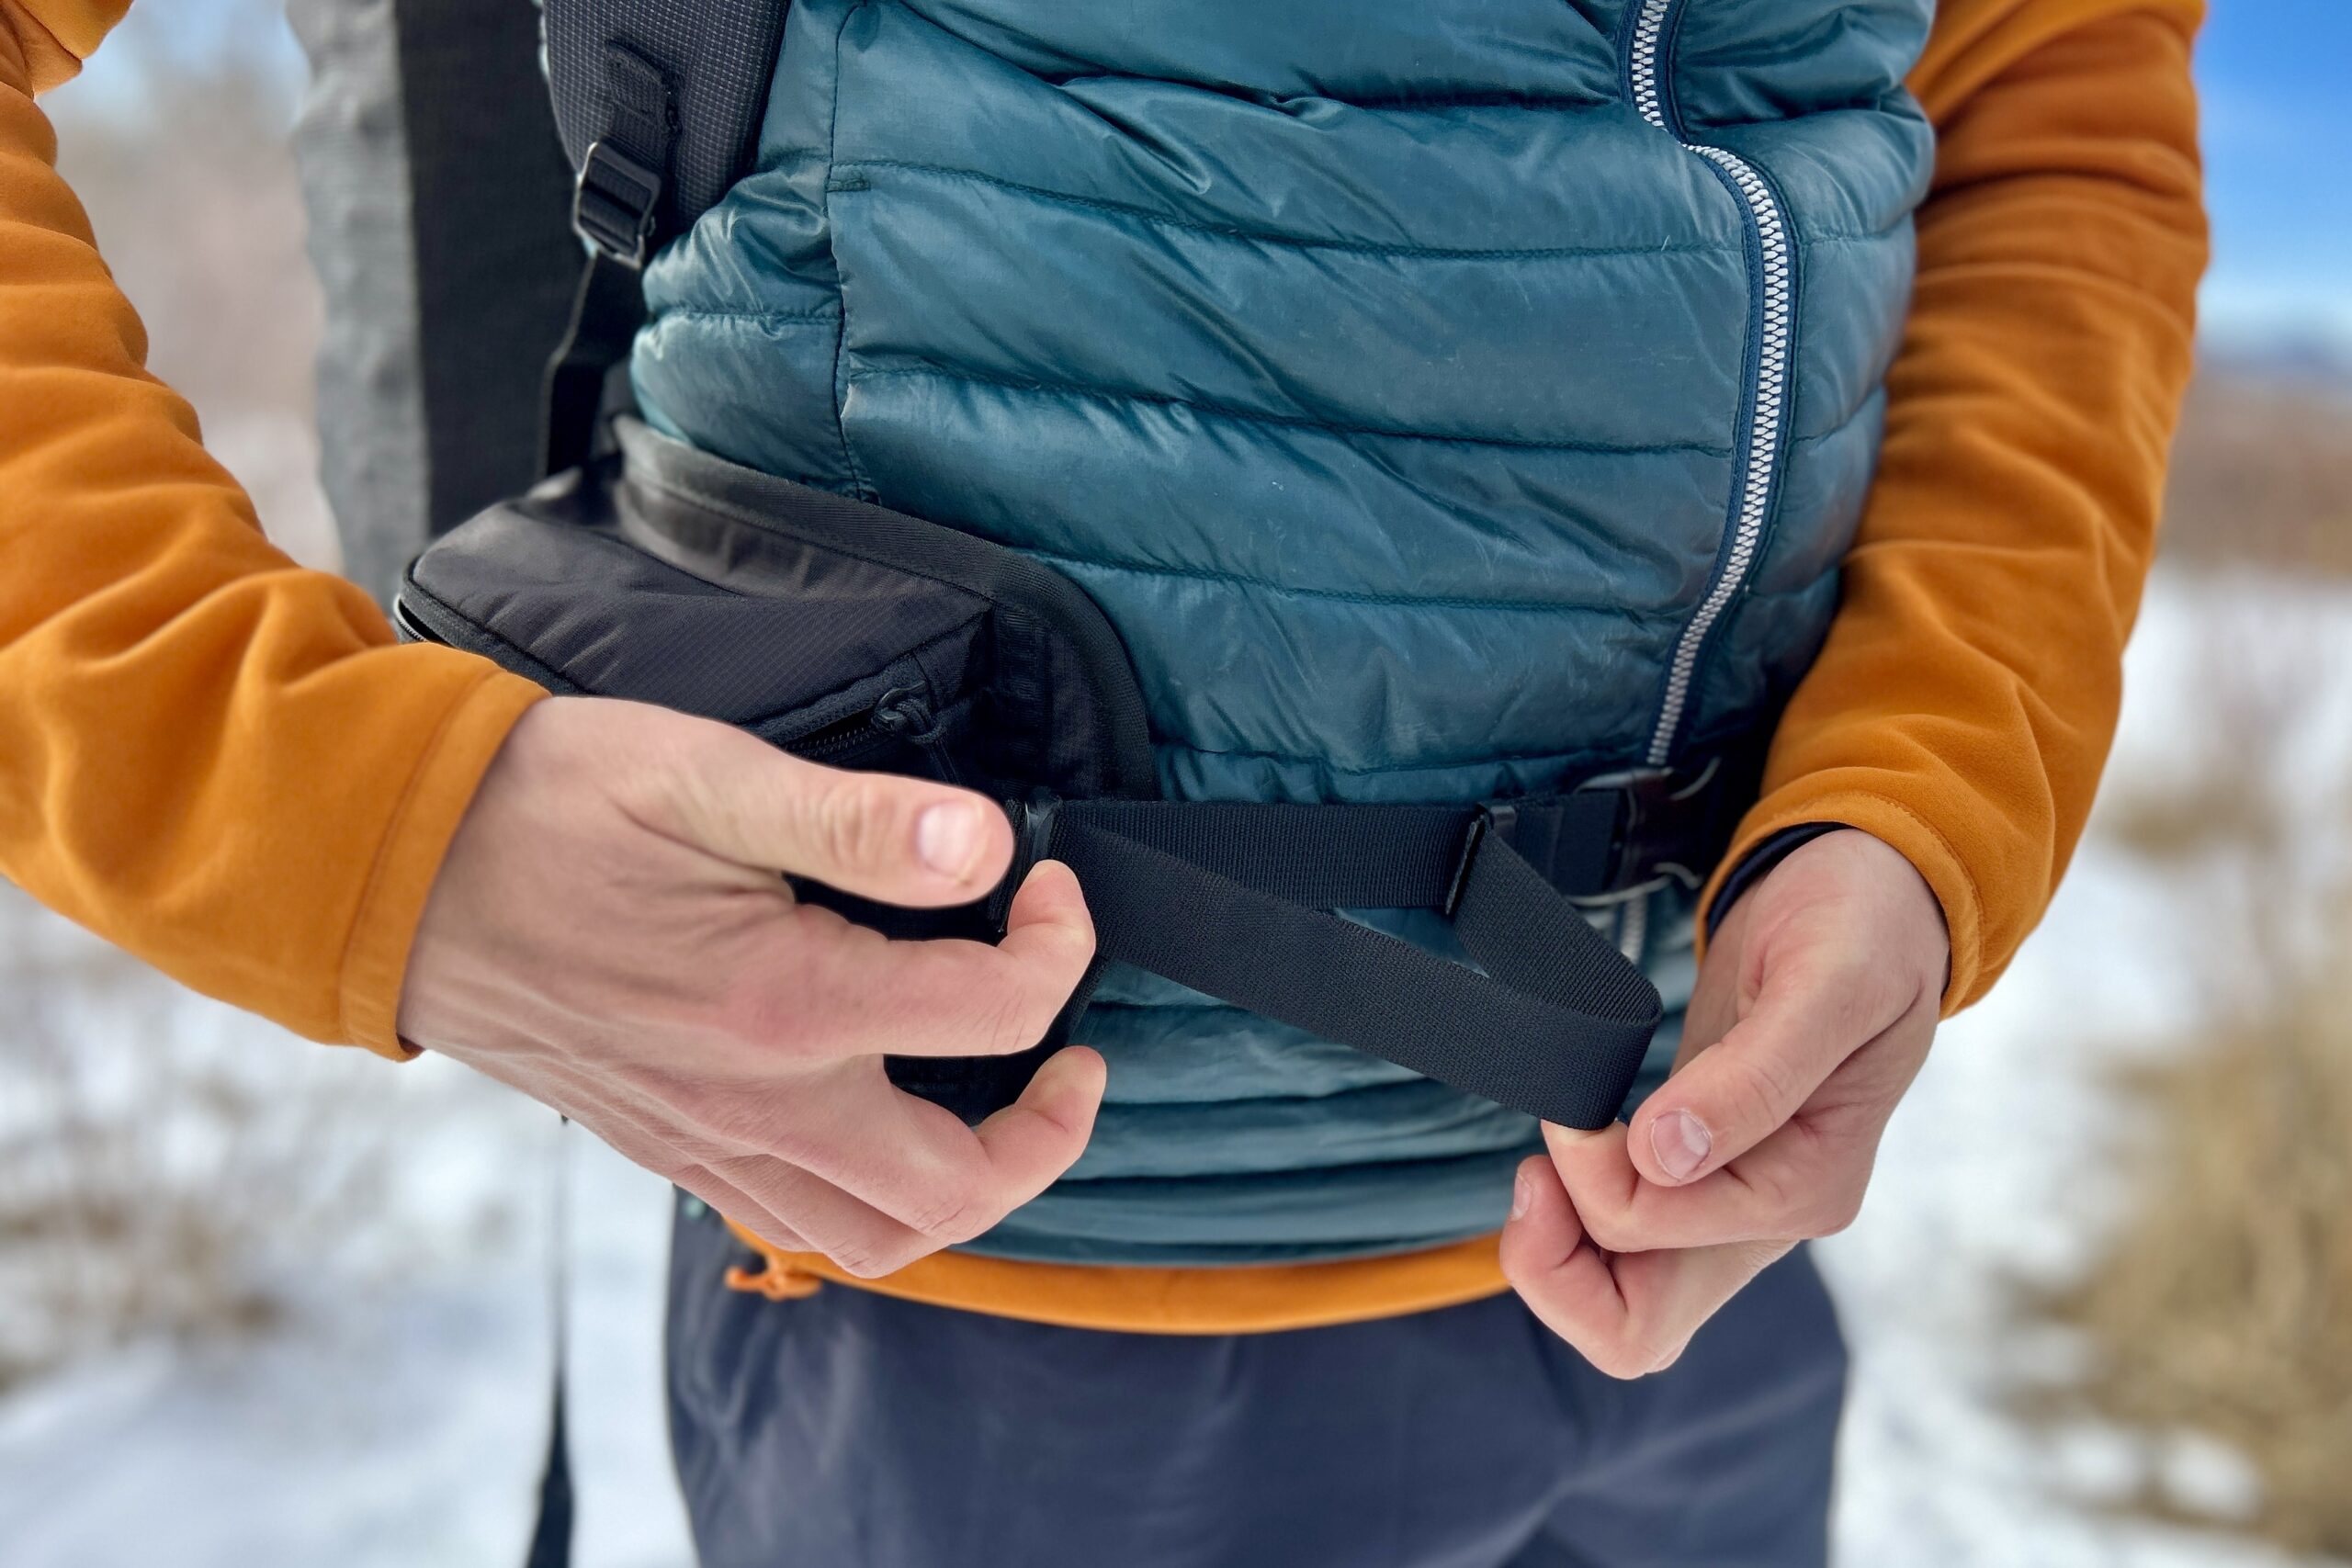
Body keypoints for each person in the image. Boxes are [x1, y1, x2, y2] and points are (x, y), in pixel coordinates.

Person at [0, 1, 2204, 1563]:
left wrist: (1916, 797)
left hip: (1679, 1268)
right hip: (999, 1322)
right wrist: (344, 808)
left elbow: (2046, 92)